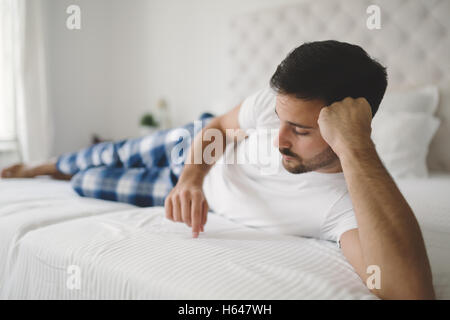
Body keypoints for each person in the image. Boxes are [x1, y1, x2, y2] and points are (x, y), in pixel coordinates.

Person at [1, 40, 435, 299]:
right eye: (280, 120)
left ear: (350, 126)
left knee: (88, 182)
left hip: (197, 194)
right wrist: (191, 180)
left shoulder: (345, 204)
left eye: (300, 130)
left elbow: (408, 291)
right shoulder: (277, 107)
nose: (279, 139)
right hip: (197, 159)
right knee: (105, 153)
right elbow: (218, 127)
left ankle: (57, 170)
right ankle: (42, 164)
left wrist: (357, 148)